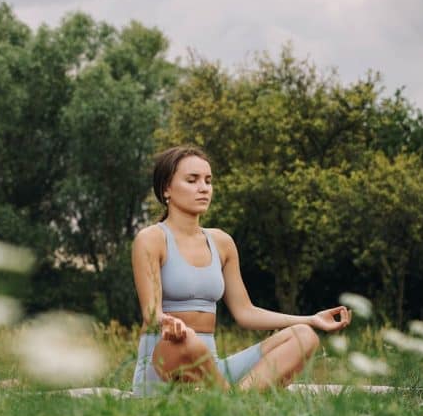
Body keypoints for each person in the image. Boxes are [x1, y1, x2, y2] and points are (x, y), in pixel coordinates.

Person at [131, 145, 350, 395]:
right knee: (187, 340)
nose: (204, 188)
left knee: (304, 336)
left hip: (211, 371)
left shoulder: (222, 242)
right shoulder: (151, 239)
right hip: (164, 365)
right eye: (192, 180)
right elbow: (152, 314)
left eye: (208, 180)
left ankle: (237, 399)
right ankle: (228, 399)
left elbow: (245, 312)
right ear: (166, 189)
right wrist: (169, 323)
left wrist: (310, 319)